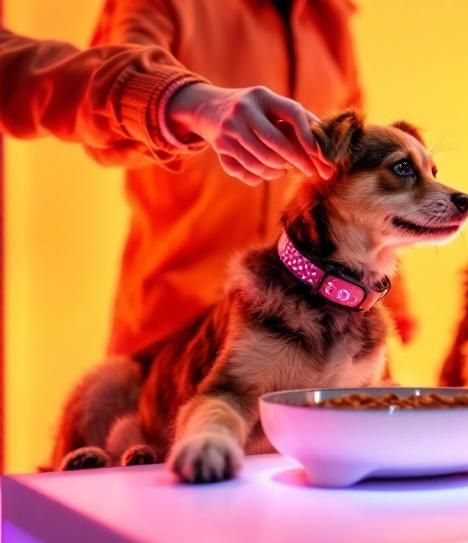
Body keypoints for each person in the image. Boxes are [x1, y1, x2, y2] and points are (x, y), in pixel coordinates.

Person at [86, 0, 416, 355]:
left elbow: (360, 169)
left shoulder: (329, 21)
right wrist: (193, 105)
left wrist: (394, 296)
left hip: (310, 330)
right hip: (175, 329)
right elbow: (104, 102)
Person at [0, 27, 325, 176]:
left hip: (286, 292)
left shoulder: (329, 24)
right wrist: (196, 105)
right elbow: (97, 108)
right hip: (174, 290)